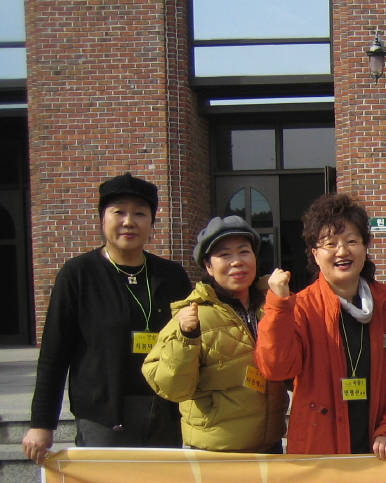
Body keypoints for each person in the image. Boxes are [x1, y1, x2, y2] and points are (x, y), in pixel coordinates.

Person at [21, 173, 192, 464]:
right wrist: (42, 423)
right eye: (119, 212)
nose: (129, 221)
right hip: (102, 414)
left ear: (152, 223)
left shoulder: (171, 275)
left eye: (140, 213)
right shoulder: (78, 274)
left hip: (164, 412)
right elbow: (53, 355)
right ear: (102, 219)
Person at [255, 193, 386, 458]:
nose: (342, 251)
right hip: (318, 449)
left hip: (378, 446)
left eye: (352, 241)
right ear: (316, 255)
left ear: (365, 247)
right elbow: (276, 368)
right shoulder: (301, 306)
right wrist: (278, 305)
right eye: (330, 244)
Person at [142, 216, 288, 453]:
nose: (237, 261)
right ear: (208, 266)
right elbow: (172, 388)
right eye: (224, 255)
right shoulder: (193, 314)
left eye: (244, 251)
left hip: (270, 447)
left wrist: (283, 304)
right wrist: (186, 338)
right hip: (214, 453)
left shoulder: (272, 305)